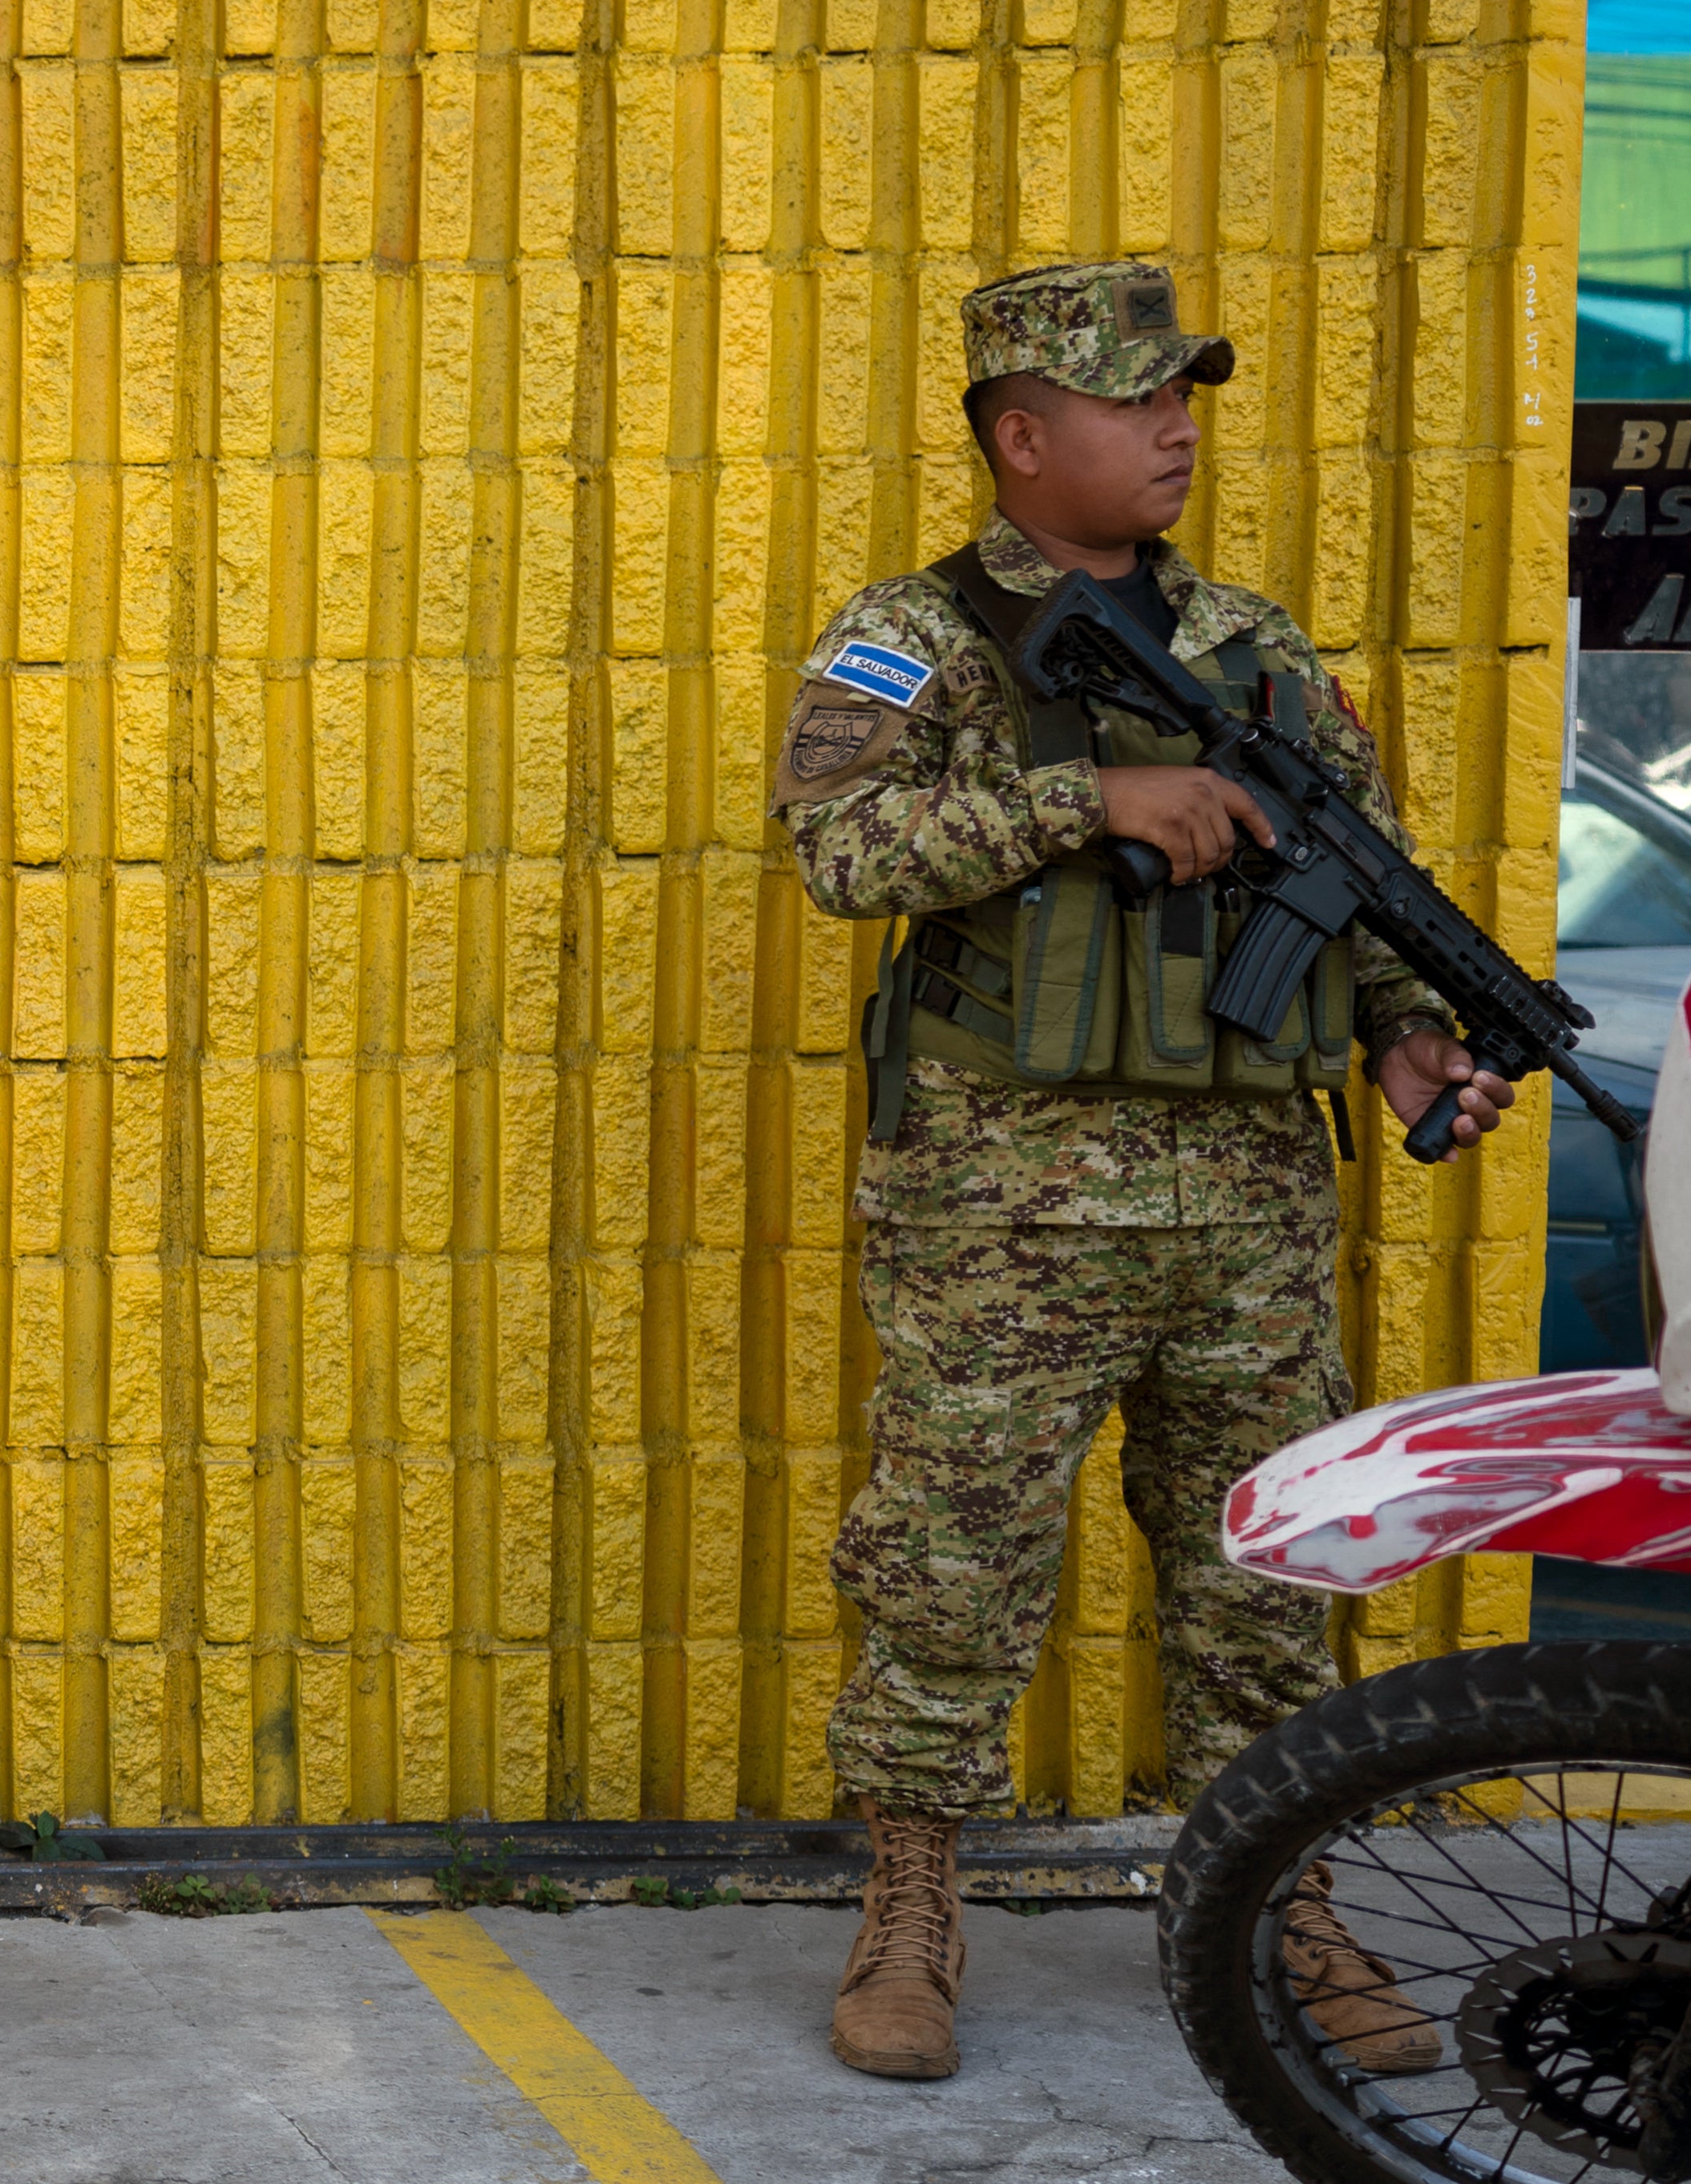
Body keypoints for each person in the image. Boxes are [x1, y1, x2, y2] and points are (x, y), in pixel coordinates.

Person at [774, 260, 1509, 2082]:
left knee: (1267, 1575)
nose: (1175, 426)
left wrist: (1406, 1032)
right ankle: (913, 1906)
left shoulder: (1258, 643)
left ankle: (1281, 1900)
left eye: (1186, 393)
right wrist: (1081, 799)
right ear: (1022, 438)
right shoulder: (919, 633)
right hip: (999, 1210)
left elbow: (1369, 886)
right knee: (956, 1568)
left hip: (1249, 1207)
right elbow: (840, 849)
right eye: (1131, 399)